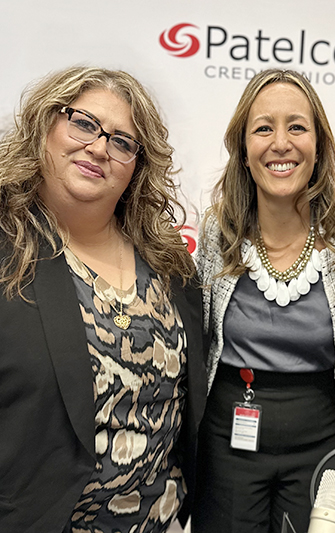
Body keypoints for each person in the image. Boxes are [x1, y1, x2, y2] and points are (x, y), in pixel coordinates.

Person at [0, 67, 207, 533]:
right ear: (44, 124)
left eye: (121, 141)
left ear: (138, 163)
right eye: (83, 123)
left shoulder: (169, 263)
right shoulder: (6, 251)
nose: (98, 148)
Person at [191, 69, 335, 533]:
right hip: (227, 442)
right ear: (244, 151)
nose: (280, 143)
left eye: (297, 127)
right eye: (263, 128)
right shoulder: (216, 235)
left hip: (323, 443)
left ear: (319, 145)